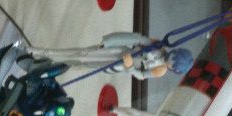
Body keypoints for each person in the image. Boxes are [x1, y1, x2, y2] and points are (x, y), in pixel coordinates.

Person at [29, 31, 194, 80]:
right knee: (81, 53)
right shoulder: (159, 45)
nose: (170, 62)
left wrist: (130, 67)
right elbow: (134, 38)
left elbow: (141, 75)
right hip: (116, 52)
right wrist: (109, 41)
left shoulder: (161, 70)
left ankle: (45, 64)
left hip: (116, 66)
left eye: (173, 65)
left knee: (80, 64)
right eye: (173, 58)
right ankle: (42, 52)